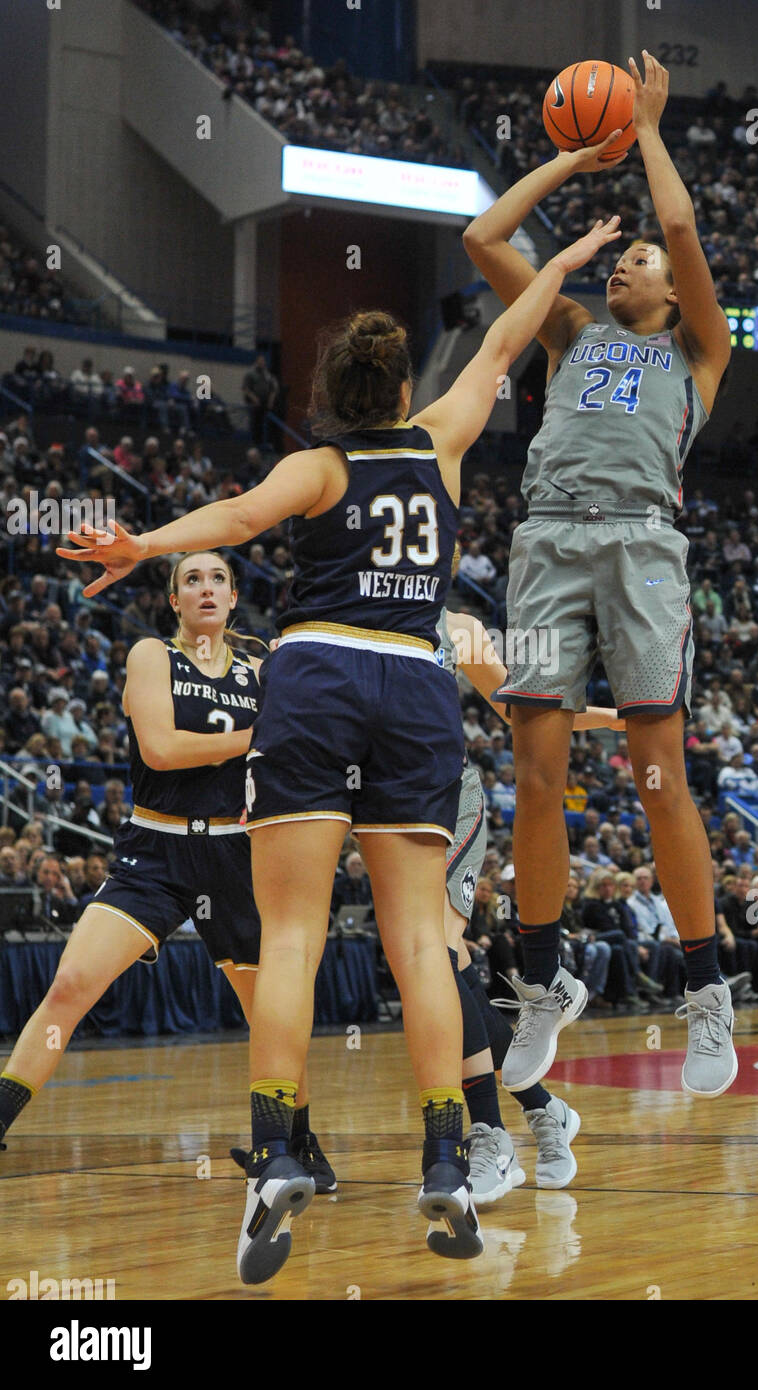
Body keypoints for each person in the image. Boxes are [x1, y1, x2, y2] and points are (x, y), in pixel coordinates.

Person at [59, 216, 622, 1281]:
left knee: (291, 938)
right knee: (418, 944)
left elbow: (227, 519)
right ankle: (447, 1161)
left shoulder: (316, 466)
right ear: (402, 388)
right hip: (411, 684)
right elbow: (507, 338)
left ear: (329, 392)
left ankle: (277, 1150)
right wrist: (562, 259)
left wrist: (141, 543)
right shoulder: (443, 439)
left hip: (315, 676)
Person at [463, 51, 734, 1102]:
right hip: (544, 547)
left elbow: (676, 229)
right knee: (533, 770)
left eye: (636, 267)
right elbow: (483, 239)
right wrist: (570, 160)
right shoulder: (567, 331)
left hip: (639, 549)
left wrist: (649, 129)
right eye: (612, 264)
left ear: (671, 293)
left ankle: (704, 989)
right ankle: (541, 979)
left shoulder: (700, 351)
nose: (620, 268)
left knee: (655, 771)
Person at [0, 553, 335, 1188]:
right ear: (174, 601)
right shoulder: (152, 655)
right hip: (155, 848)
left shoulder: (264, 667)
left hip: (238, 853)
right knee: (71, 984)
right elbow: (163, 748)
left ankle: (302, 1145)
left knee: (271, 1010)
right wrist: (264, 731)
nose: (205, 589)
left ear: (234, 597)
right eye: (191, 580)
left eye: (217, 580)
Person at [437, 598, 620, 1201]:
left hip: (444, 801)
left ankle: (489, 1134)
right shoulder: (342, 618)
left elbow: (520, 709)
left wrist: (611, 719)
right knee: (443, 970)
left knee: (436, 955)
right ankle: (543, 1108)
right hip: (375, 810)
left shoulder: (456, 630)